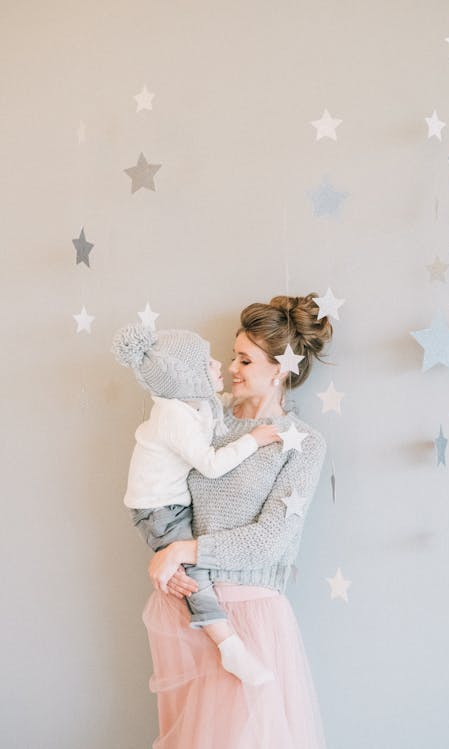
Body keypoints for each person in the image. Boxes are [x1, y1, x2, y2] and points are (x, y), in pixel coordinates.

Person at [143, 294, 332, 748]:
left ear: (280, 368)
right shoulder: (204, 420)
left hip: (253, 618)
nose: (231, 369)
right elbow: (159, 491)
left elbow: (270, 539)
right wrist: (164, 552)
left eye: (245, 360)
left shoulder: (302, 443)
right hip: (190, 606)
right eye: (232, 357)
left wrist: (180, 552)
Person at [112, 324, 281, 685]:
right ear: (187, 377)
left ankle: (228, 644)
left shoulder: (196, 405)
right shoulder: (175, 416)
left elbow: (218, 411)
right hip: (158, 509)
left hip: (170, 505)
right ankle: (230, 646)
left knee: (188, 570)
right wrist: (253, 440)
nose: (221, 365)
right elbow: (212, 465)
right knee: (194, 577)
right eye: (208, 363)